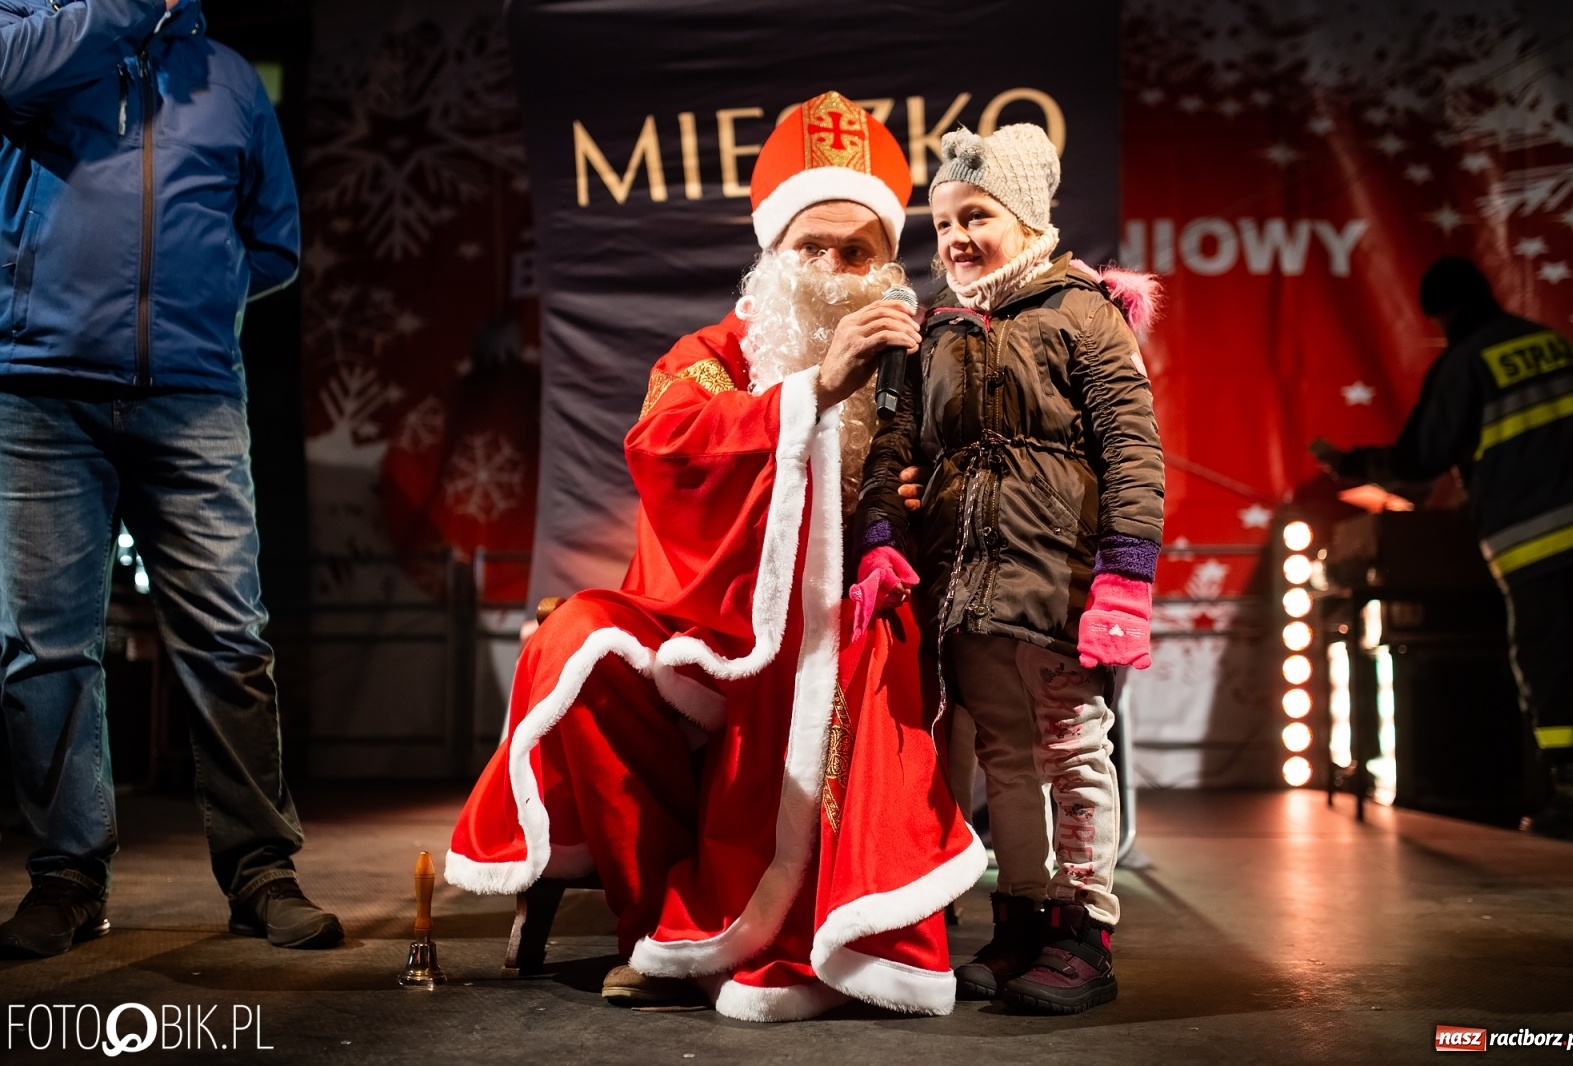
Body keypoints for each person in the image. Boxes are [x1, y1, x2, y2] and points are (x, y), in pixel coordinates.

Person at [445, 91, 985, 1022]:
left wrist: (921, 499)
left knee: (852, 641)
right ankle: (655, 925)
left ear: (886, 263)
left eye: (856, 252)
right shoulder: (710, 355)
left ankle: (836, 930)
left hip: (858, 615)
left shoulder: (925, 351)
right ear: (772, 253)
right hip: (707, 620)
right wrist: (813, 393)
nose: (831, 272)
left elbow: (980, 480)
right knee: (576, 645)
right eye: (810, 248)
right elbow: (665, 449)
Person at [0, 0, 342, 957]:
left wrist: (195, 299)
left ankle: (260, 870)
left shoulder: (227, 77)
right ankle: (68, 877)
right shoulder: (32, 31)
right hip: (41, 390)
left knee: (228, 635)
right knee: (44, 649)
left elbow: (274, 239)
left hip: (191, 394)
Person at [852, 124, 1165, 1016]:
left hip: (1057, 583)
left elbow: (1132, 452)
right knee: (1003, 758)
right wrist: (882, 534)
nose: (955, 236)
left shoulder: (1083, 312)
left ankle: (1084, 929)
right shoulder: (933, 331)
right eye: (945, 220)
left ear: (1025, 216)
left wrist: (1124, 580)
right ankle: (1022, 916)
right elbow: (894, 444)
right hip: (966, 585)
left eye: (976, 215)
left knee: (1072, 749)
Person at [1313, 257, 1573, 842]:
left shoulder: (1466, 362)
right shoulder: (1554, 344)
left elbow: (1422, 457)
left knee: (1553, 666)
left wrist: (1355, 464)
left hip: (1537, 545)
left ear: (1440, 313)